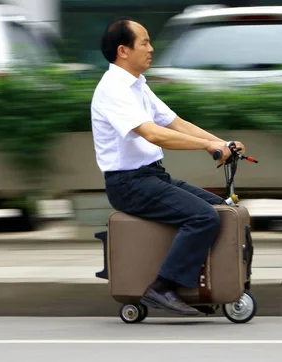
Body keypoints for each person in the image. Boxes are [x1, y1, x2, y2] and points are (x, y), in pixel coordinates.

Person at [90, 17, 246, 316]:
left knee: (221, 210)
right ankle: (162, 287)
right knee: (203, 217)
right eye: (145, 42)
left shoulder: (138, 86)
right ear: (124, 51)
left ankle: (201, 288)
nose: (152, 48)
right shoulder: (113, 88)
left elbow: (174, 123)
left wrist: (222, 142)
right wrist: (205, 146)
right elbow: (153, 133)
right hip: (129, 184)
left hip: (152, 177)